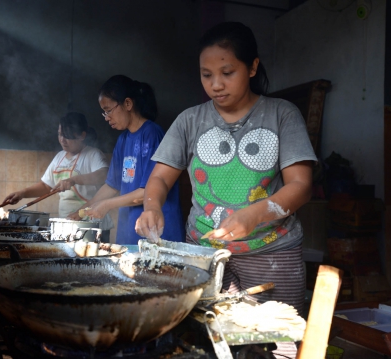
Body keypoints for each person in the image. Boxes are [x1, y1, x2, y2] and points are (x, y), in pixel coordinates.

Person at [135, 22, 317, 357]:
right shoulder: (190, 120)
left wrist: (256, 214)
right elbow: (159, 178)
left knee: (276, 344)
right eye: (206, 75)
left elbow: (301, 186)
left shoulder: (281, 115)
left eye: (227, 72)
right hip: (205, 255)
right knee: (205, 343)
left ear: (252, 67)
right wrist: (152, 206)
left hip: (272, 254)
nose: (216, 85)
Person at [69, 75, 184, 245]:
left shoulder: (152, 134)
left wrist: (107, 205)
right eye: (104, 112)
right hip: (130, 231)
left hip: (156, 232)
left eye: (108, 110)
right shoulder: (123, 140)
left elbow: (146, 193)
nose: (106, 117)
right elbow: (111, 185)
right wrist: (83, 210)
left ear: (128, 104)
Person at [4, 112, 114, 241]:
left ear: (82, 135)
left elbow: (104, 175)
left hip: (92, 225)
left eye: (67, 136)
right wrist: (22, 193)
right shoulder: (59, 157)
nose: (62, 140)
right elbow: (46, 186)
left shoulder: (93, 155)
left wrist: (73, 180)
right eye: (60, 134)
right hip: (68, 224)